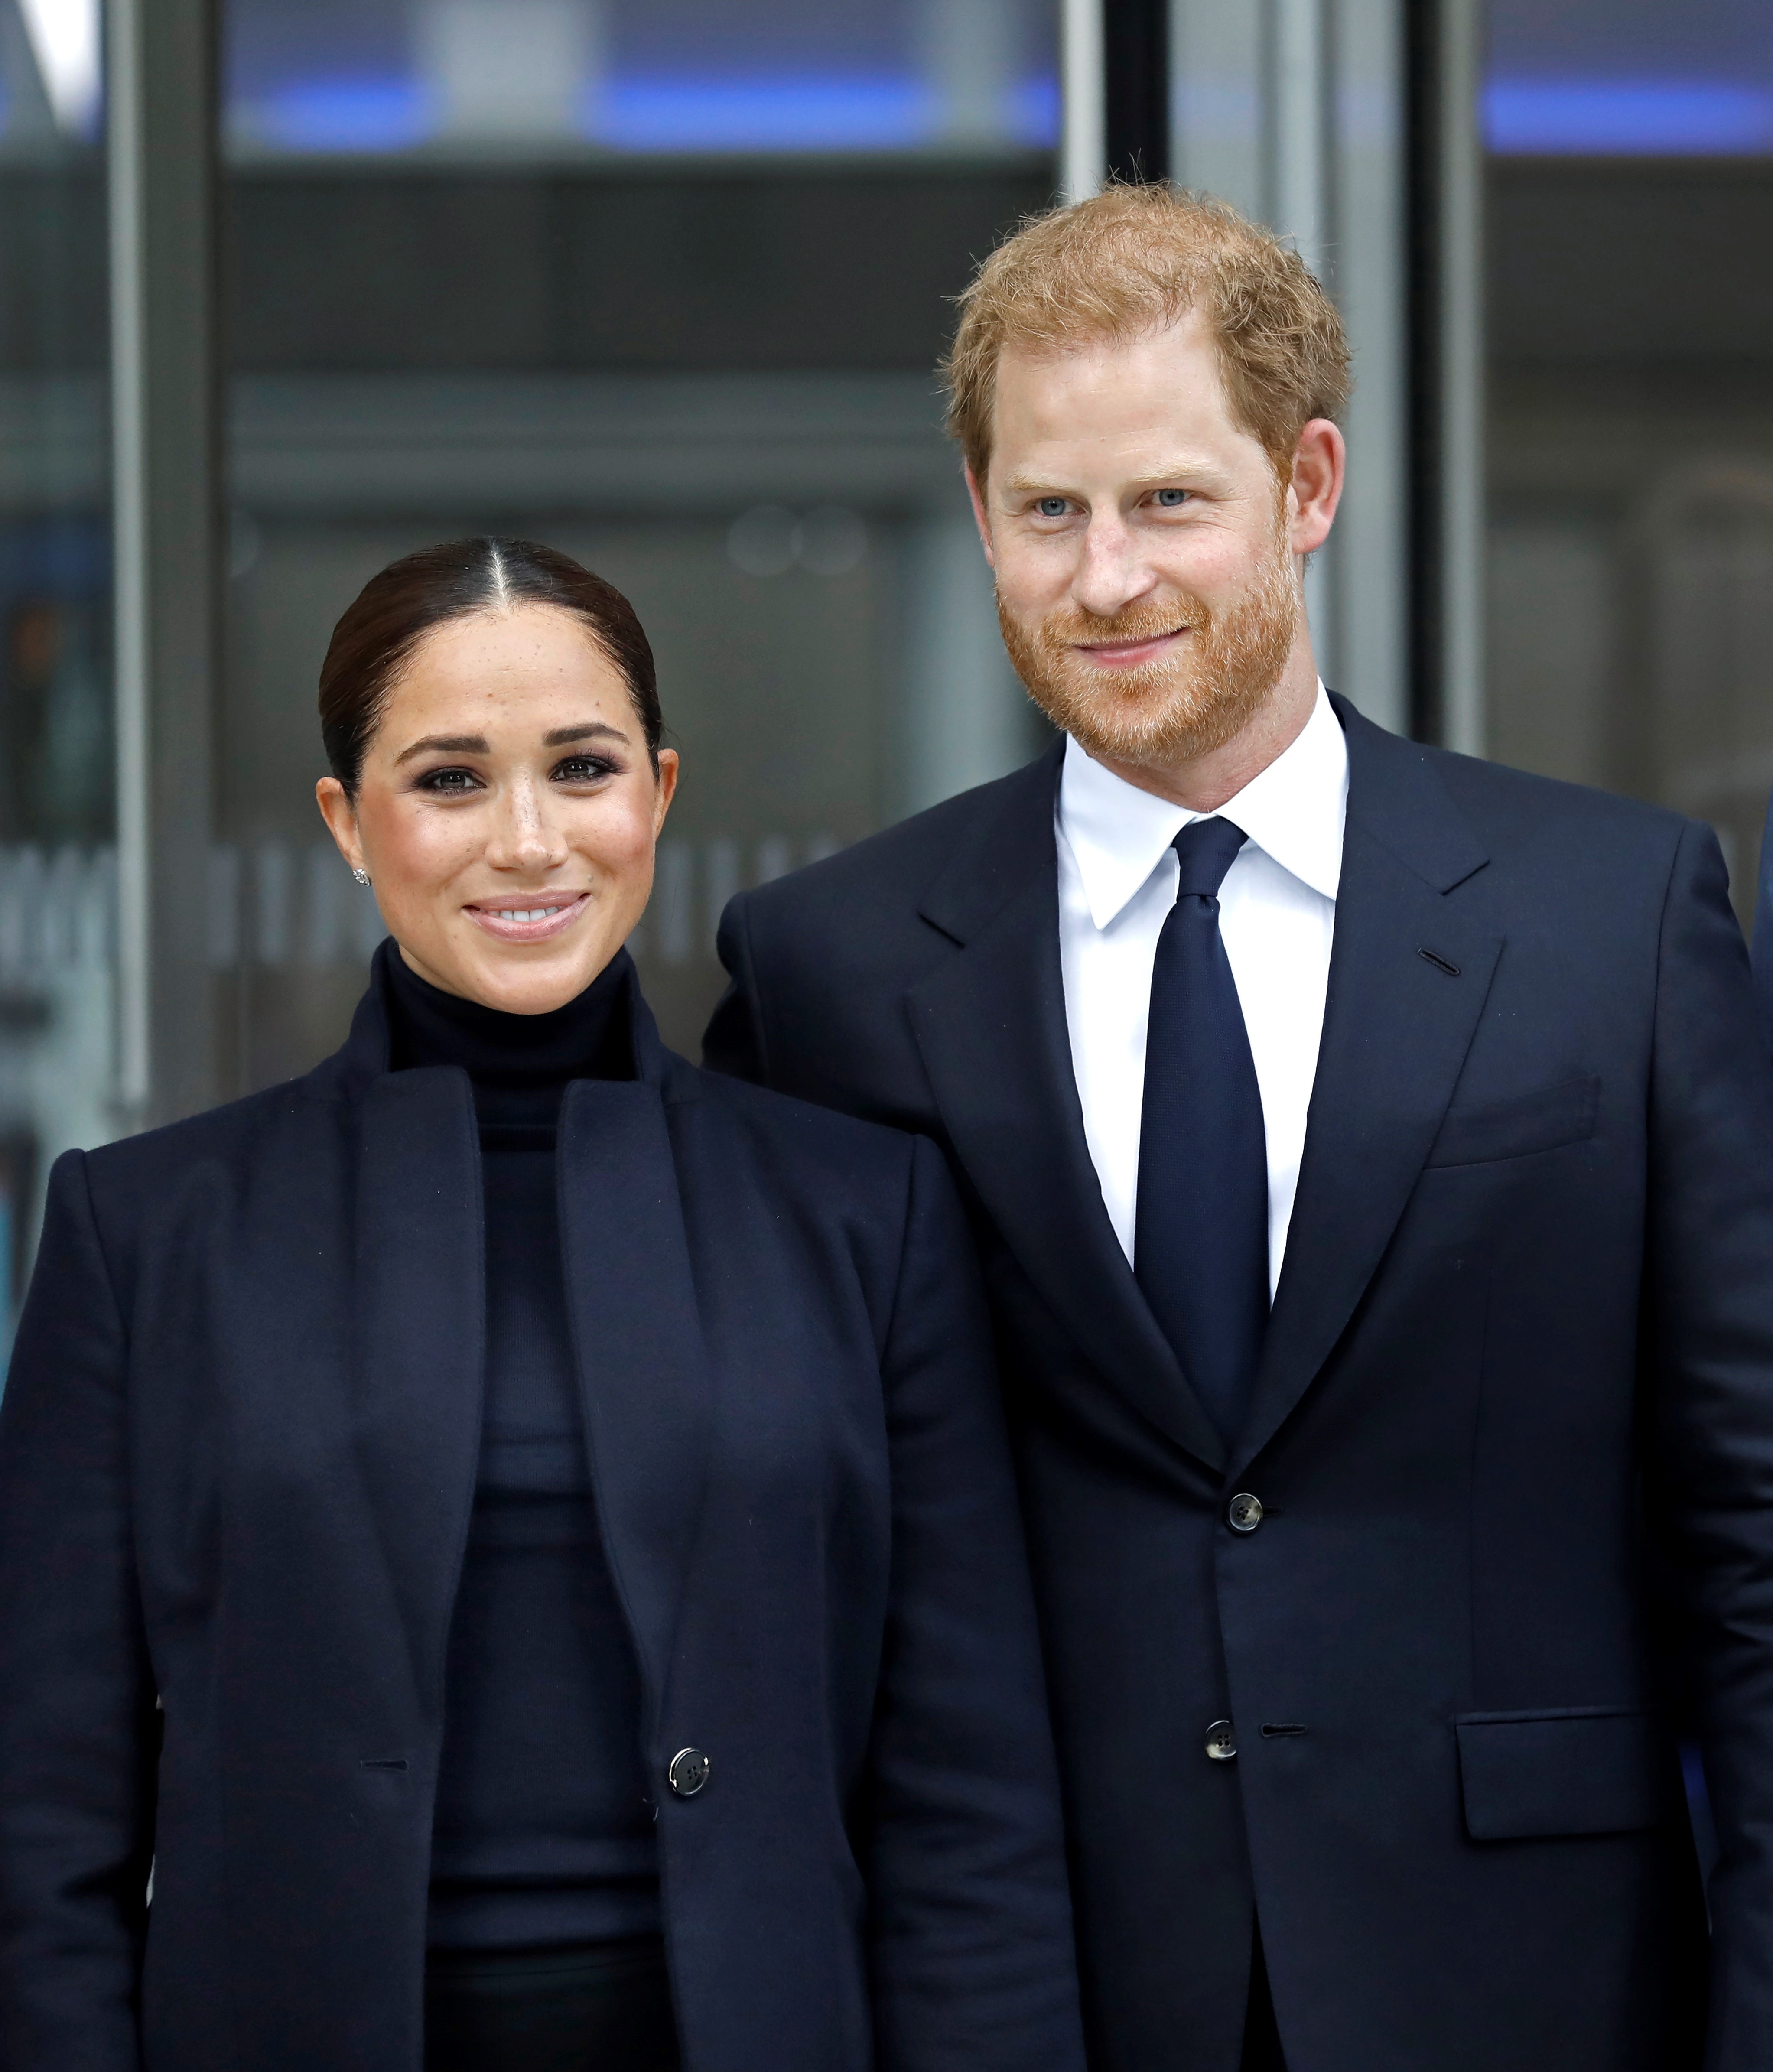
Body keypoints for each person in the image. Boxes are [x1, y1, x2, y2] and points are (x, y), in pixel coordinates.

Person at [704, 183, 1773, 2072]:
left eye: (1169, 500)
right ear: (982, 516)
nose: (1106, 577)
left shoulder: (1618, 919)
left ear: (1309, 484)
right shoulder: (831, 975)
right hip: (1048, 1986)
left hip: (1531, 1983)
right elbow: (788, 1558)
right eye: (1050, 510)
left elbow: (1751, 1528)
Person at [0, 538, 1089, 2072]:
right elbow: (43, 1829)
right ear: (346, 823)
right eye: (449, 779)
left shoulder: (863, 1216)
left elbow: (967, 1811)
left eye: (580, 769)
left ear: (656, 792)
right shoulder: (150, 1235)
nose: (528, 840)